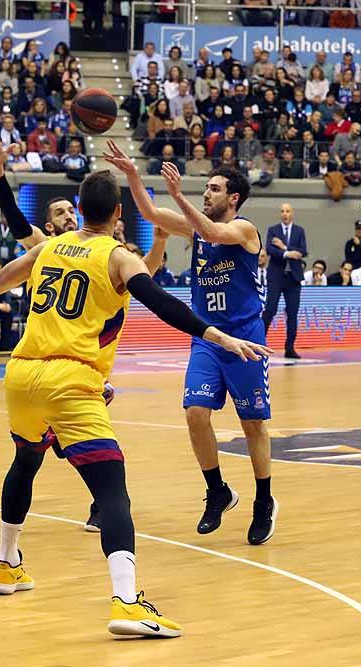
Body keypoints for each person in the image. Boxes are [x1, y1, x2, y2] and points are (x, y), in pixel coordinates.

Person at [0, 168, 270, 637]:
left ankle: (7, 565)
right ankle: (127, 603)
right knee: (112, 491)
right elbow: (163, 303)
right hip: (71, 378)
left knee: (25, 461)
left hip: (20, 374)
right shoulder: (119, 257)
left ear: (80, 210)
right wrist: (217, 337)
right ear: (118, 213)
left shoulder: (48, 246)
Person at [0, 130, 167, 531]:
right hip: (53, 360)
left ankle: (95, 509)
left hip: (77, 362)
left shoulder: (112, 253)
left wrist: (159, 242)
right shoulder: (44, 245)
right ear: (49, 225)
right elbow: (15, 217)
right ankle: (102, 507)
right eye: (60, 214)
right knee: (60, 452)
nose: (68, 216)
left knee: (65, 450)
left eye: (72, 210)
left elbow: (146, 278)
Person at [104, 140, 279, 546]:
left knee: (253, 424)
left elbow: (213, 230)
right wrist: (133, 175)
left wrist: (180, 196)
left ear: (233, 197)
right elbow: (149, 213)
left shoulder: (244, 229)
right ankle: (217, 490)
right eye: (206, 188)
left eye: (215, 189)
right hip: (206, 338)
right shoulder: (195, 226)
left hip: (246, 339)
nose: (207, 192)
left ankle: (263, 502)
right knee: (195, 413)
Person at [262, 203, 306, 359]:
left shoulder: (299, 231)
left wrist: (283, 246)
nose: (285, 214)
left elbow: (302, 251)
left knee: (292, 314)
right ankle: (260, 343)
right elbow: (270, 249)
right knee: (270, 310)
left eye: (288, 211)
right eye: (282, 211)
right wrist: (288, 253)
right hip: (276, 277)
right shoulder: (273, 230)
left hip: (293, 278)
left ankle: (290, 348)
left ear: (292, 213)